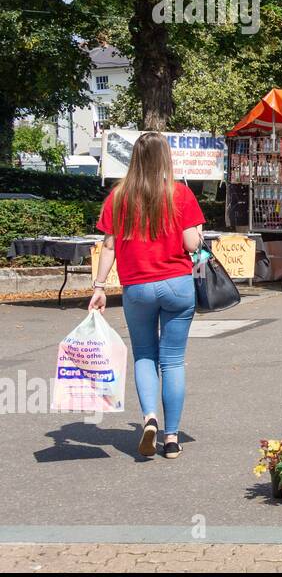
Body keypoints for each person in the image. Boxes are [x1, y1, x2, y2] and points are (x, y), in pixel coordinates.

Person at [88, 132, 205, 460]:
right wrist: (198, 232)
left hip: (137, 287)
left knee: (144, 356)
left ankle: (150, 417)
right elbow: (192, 245)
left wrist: (99, 288)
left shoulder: (118, 197)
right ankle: (171, 438)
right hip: (177, 285)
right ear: (165, 158)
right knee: (172, 360)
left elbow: (108, 246)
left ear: (134, 159)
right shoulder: (179, 194)